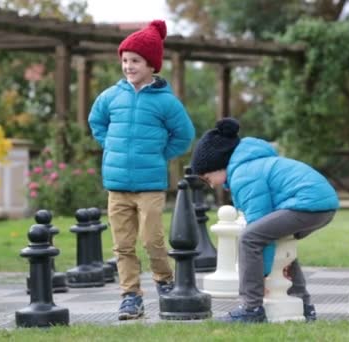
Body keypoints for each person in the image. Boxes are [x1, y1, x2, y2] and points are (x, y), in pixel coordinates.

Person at [88, 20, 195, 321]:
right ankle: (130, 297)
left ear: (152, 65)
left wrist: (161, 155)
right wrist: (109, 143)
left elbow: (184, 135)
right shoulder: (110, 96)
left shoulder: (166, 102)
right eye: (125, 60)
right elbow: (96, 122)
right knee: (122, 245)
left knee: (151, 240)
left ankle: (164, 282)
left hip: (150, 185)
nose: (128, 66)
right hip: (117, 185)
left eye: (135, 61)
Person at [190, 118, 339, 323]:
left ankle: (251, 308)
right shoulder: (251, 165)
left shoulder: (244, 174)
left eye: (207, 178)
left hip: (308, 203)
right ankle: (303, 305)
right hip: (322, 204)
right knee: (281, 241)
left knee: (249, 238)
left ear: (217, 164)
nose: (209, 185)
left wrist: (263, 274)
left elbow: (257, 229)